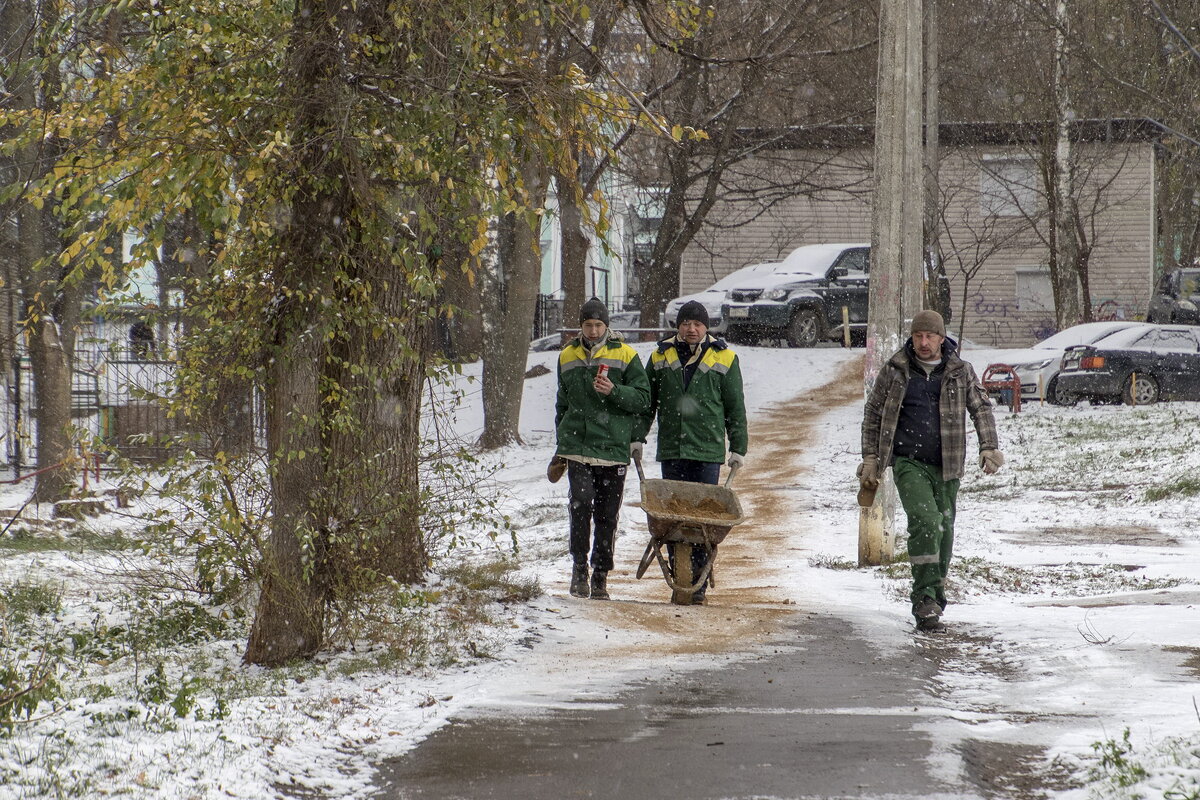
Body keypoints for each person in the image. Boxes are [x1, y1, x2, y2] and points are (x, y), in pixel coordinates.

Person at [859, 310, 1004, 631]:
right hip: (908, 462)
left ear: (941, 338)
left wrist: (989, 446)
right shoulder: (896, 371)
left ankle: (935, 596)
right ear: (912, 338)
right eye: (918, 336)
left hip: (949, 465)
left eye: (930, 337)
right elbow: (873, 413)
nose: (924, 343)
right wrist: (871, 459)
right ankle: (923, 598)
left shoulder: (959, 371)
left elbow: (980, 407)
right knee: (926, 521)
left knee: (945, 530)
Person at [633, 300, 748, 604]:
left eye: (697, 324)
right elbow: (647, 403)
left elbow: (735, 407)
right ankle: (679, 575)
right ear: (678, 326)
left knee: (702, 522)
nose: (691, 329)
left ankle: (696, 580)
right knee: (671, 520)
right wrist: (637, 437)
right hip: (673, 448)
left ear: (706, 327)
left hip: (707, 451)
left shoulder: (725, 357)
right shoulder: (660, 356)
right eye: (686, 323)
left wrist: (738, 447)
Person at [550, 297, 650, 600]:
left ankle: (601, 575)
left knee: (608, 514)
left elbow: (644, 399)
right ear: (580, 325)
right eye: (588, 324)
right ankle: (579, 568)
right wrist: (562, 441)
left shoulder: (625, 355)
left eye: (598, 325)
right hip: (578, 448)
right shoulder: (567, 355)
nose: (593, 331)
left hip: (611, 448)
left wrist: (615, 391)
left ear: (607, 325)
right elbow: (562, 403)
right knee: (580, 506)